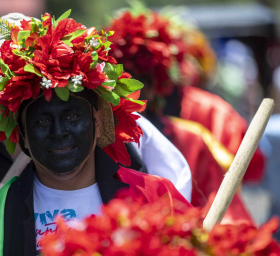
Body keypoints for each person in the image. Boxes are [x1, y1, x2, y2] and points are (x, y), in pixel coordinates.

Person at [0, 11, 191, 256]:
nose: (59, 132)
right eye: (41, 122)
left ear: (97, 121)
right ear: (22, 133)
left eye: (73, 116)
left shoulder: (156, 198)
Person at [106, 7, 254, 224]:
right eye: (119, 78)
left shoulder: (192, 140)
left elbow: (225, 215)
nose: (129, 90)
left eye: (139, 79)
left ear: (157, 85)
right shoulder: (94, 142)